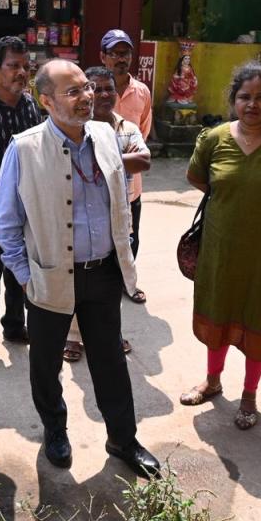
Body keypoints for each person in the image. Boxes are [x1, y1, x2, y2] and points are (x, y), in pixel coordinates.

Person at [0, 59, 160, 478]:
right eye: (74, 92)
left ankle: (123, 438)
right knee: (45, 363)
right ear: (46, 100)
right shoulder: (25, 147)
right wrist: (27, 276)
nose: (88, 97)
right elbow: (6, 222)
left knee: (110, 361)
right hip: (50, 274)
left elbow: (120, 201)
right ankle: (55, 430)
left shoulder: (105, 135)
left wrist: (123, 258)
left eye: (87, 87)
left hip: (102, 273)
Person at [179, 61, 261, 430]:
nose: (252, 104)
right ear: (233, 100)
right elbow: (200, 180)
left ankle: (249, 395)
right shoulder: (213, 139)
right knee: (217, 314)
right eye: (244, 97)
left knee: (255, 321)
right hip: (218, 251)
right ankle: (213, 380)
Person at [62, 66, 151, 363]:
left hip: (118, 215)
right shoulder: (73, 128)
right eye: (95, 88)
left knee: (112, 280)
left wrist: (102, 159)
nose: (102, 94)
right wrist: (116, 161)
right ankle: (73, 337)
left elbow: (143, 159)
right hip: (77, 217)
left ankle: (110, 332)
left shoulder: (126, 127)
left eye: (108, 89)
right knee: (76, 279)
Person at [0, 36, 42, 367]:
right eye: (13, 66)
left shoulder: (30, 105)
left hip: (26, 208)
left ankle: (15, 327)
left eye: (25, 66)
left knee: (20, 272)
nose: (21, 72)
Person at [100, 28, 151, 303]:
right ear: (103, 56)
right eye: (115, 53)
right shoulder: (91, 87)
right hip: (96, 183)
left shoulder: (141, 91)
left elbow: (142, 131)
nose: (121, 59)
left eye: (125, 53)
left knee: (132, 236)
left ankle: (126, 282)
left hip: (131, 186)